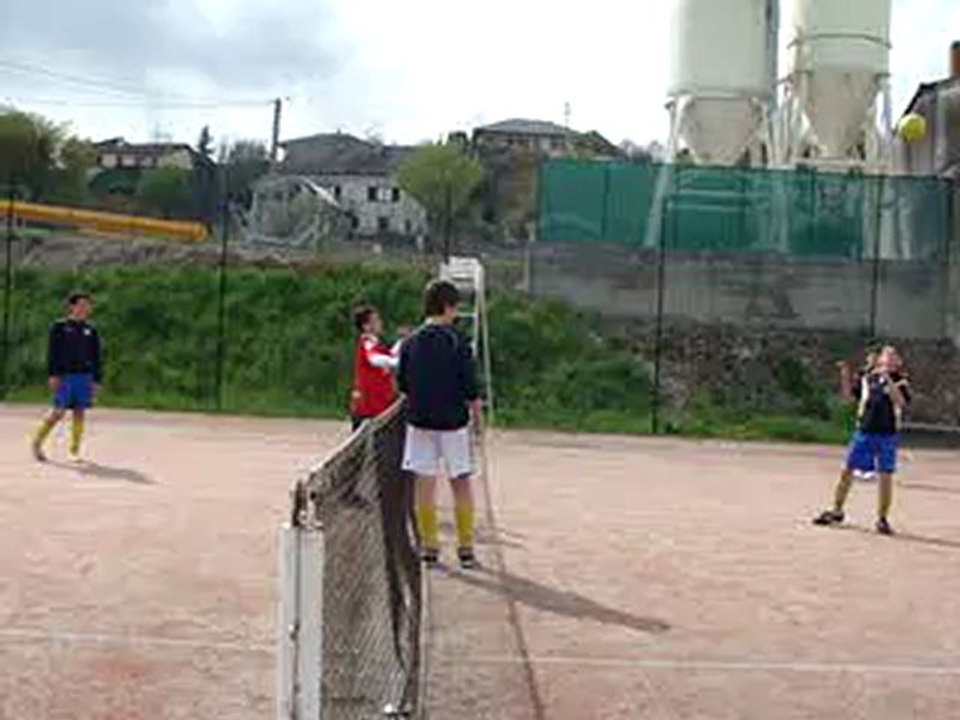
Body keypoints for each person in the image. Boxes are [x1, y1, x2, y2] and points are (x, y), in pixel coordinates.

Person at [398, 280, 482, 569]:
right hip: (454, 425)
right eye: (455, 307)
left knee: (425, 483)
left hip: (420, 422)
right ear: (447, 307)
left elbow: (404, 385)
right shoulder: (458, 341)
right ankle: (466, 548)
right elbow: (471, 389)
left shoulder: (410, 342)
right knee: (461, 483)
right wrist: (479, 424)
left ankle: (430, 547)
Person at [814, 345, 910, 535]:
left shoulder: (901, 381)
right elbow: (849, 396)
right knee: (847, 472)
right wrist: (845, 374)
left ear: (897, 362)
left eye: (893, 356)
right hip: (864, 432)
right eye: (887, 355)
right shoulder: (868, 379)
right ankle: (837, 510)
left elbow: (900, 401)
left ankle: (882, 519)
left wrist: (888, 378)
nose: (890, 359)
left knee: (885, 476)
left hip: (887, 435)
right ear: (880, 359)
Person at [32, 292, 102, 463]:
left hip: (84, 377)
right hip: (65, 376)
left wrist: (96, 380)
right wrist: (53, 375)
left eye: (87, 305)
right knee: (58, 412)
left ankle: (74, 451)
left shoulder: (90, 330)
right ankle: (37, 443)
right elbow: (52, 353)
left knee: (79, 412)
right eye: (81, 304)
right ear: (72, 306)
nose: (85, 308)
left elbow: (96, 356)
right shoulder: (59, 326)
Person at [350, 305, 402, 431]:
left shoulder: (376, 344)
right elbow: (374, 359)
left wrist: (403, 342)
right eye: (376, 321)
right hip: (368, 407)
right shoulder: (367, 342)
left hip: (378, 405)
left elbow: (390, 355)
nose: (380, 323)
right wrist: (398, 362)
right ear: (366, 326)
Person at [838, 350, 879, 482]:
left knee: (871, 440)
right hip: (865, 412)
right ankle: (863, 467)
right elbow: (851, 394)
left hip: (880, 413)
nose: (872, 360)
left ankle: (869, 468)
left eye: (875, 358)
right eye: (870, 357)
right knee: (863, 439)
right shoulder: (863, 375)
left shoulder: (887, 375)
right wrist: (845, 374)